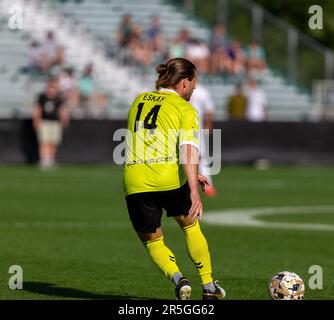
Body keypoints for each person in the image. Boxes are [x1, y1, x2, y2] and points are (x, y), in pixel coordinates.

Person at [123, 58, 226, 300]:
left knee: (152, 240)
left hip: (136, 180)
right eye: (194, 83)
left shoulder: (139, 100)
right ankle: (209, 286)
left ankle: (179, 279)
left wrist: (192, 172)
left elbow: (150, 142)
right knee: (190, 225)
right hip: (169, 179)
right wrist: (192, 188)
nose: (195, 88)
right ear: (184, 83)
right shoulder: (185, 109)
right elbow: (188, 150)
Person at [32, 78, 69, 169]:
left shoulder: (59, 98)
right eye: (51, 87)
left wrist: (64, 120)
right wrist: (36, 121)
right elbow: (38, 110)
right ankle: (44, 160)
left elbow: (62, 111)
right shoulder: (42, 97)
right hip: (44, 122)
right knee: (44, 141)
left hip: (55, 123)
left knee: (53, 142)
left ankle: (51, 159)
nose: (52, 89)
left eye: (54, 87)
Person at [189, 83, 217, 196]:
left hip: (196, 128)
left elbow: (209, 109)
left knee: (201, 156)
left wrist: (208, 124)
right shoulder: (177, 90)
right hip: (179, 128)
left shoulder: (201, 90)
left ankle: (207, 184)